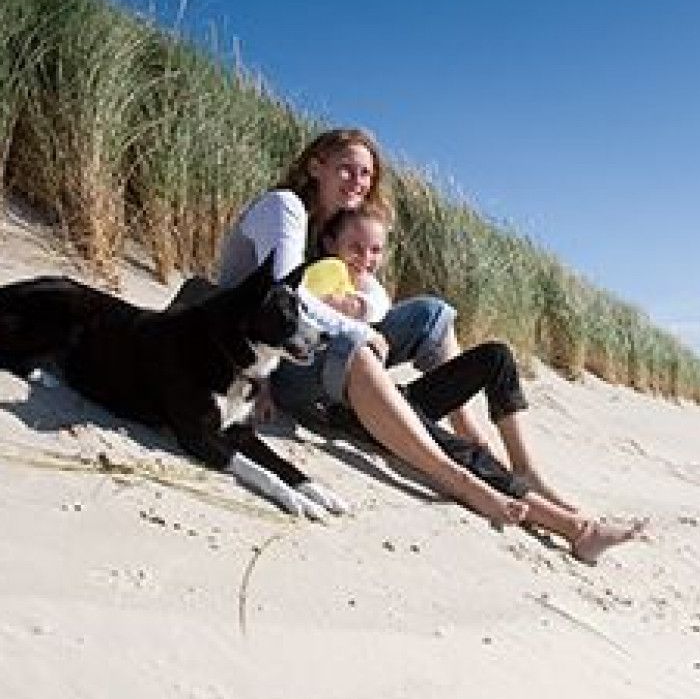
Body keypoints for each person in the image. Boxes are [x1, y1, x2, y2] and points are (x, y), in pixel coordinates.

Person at [217, 128, 645, 561]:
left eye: (366, 173)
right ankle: (462, 481)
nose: (357, 180)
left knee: (433, 313)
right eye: (346, 168)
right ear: (316, 166)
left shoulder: (342, 231)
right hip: (268, 358)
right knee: (361, 355)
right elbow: (283, 301)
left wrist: (362, 309)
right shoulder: (285, 209)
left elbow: (376, 299)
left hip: (314, 352)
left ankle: (482, 438)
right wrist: (356, 334)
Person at [309, 201, 573, 509]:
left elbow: (380, 308)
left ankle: (525, 468)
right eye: (356, 248)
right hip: (348, 408)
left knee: (497, 356)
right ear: (330, 244)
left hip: (387, 393)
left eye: (375, 250)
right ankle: (556, 518)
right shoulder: (318, 281)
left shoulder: (368, 291)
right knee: (455, 446)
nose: (366, 259)